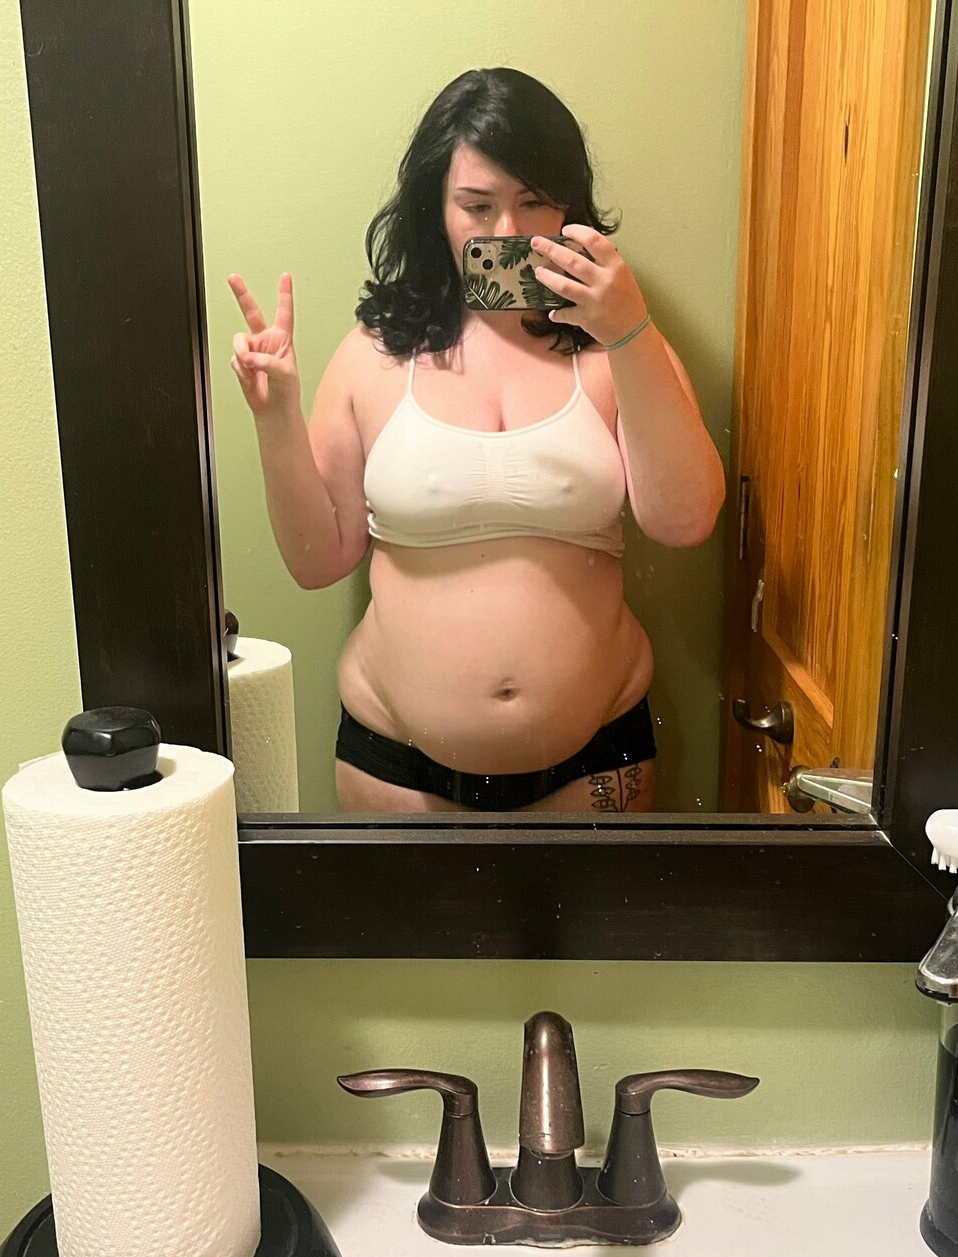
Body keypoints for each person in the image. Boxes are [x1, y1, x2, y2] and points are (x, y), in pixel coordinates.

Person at [225, 67, 723, 812]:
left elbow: (684, 521)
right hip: (394, 769)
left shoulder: (618, 349)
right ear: (437, 209)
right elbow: (317, 561)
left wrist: (629, 330)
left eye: (533, 201)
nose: (507, 233)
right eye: (477, 205)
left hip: (596, 766)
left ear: (570, 204)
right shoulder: (374, 353)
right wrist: (275, 418)